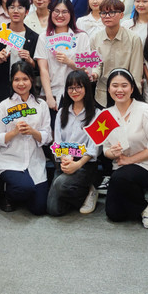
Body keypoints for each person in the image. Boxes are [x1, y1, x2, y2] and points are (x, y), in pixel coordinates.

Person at [102, 69, 148, 228]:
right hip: (121, 168)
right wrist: (112, 153)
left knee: (120, 178)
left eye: (124, 85)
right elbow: (105, 150)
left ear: (132, 88)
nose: (119, 90)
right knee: (114, 214)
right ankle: (134, 193)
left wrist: (129, 160)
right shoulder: (105, 114)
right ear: (108, 89)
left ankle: (145, 209)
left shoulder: (146, 110)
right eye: (115, 86)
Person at [0, 61, 52, 214]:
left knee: (39, 209)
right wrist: (13, 132)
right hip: (11, 161)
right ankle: (8, 194)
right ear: (11, 81)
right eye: (16, 79)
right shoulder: (4, 106)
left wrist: (33, 132)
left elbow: (48, 136)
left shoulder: (41, 105)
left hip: (35, 162)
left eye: (25, 79)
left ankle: (24, 192)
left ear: (32, 79)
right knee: (25, 188)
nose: (21, 83)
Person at [47, 71, 101, 216]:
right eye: (70, 88)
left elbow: (94, 148)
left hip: (84, 164)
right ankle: (82, 195)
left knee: (60, 184)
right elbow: (58, 142)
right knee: (54, 210)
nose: (74, 91)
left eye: (78, 87)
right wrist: (65, 159)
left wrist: (77, 164)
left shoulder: (97, 114)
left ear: (86, 88)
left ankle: (89, 190)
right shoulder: (62, 112)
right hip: (65, 160)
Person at [0, 0, 39, 105]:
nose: (15, 11)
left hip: (26, 91)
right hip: (0, 91)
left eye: (20, 7)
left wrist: (30, 60)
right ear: (7, 11)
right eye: (12, 7)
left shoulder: (34, 37)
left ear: (27, 12)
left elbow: (40, 69)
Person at [35, 0, 91, 110]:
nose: (60, 15)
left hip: (76, 94)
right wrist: (49, 96)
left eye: (65, 12)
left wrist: (69, 62)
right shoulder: (44, 37)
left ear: (71, 15)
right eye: (56, 11)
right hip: (52, 92)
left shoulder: (81, 37)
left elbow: (86, 69)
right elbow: (43, 69)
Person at [89, 0, 144, 107]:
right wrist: (94, 74)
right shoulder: (95, 38)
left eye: (112, 12)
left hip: (126, 94)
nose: (107, 16)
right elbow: (96, 65)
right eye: (103, 13)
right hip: (102, 95)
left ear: (121, 15)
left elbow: (136, 72)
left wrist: (134, 97)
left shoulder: (134, 39)